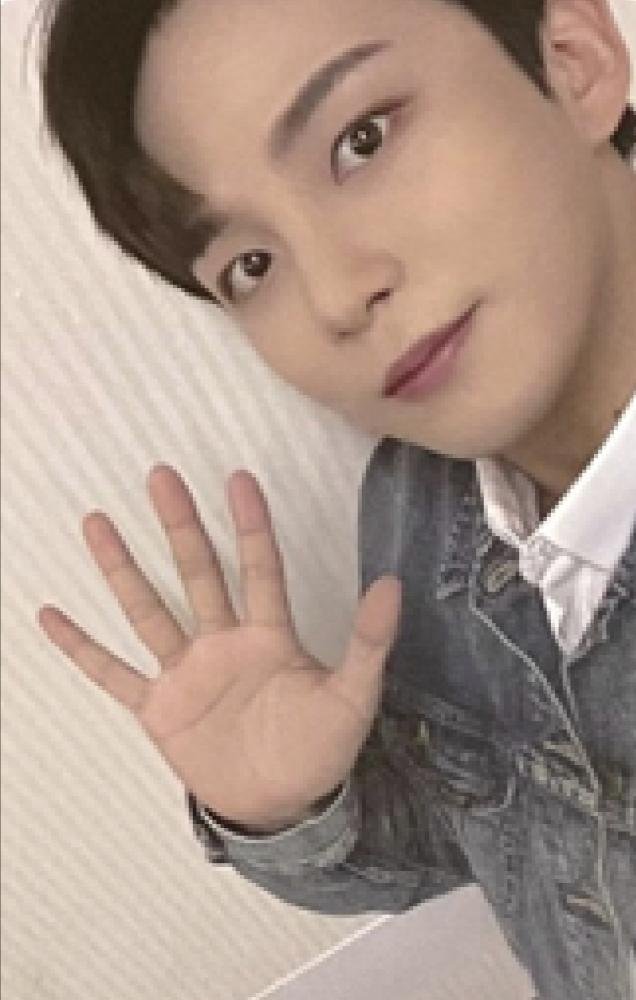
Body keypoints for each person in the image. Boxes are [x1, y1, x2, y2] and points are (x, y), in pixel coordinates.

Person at [33, 0, 635, 997]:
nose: (334, 294)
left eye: (361, 140)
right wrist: (287, 811)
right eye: (250, 265)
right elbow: (504, 833)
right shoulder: (418, 515)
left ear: (573, 59)